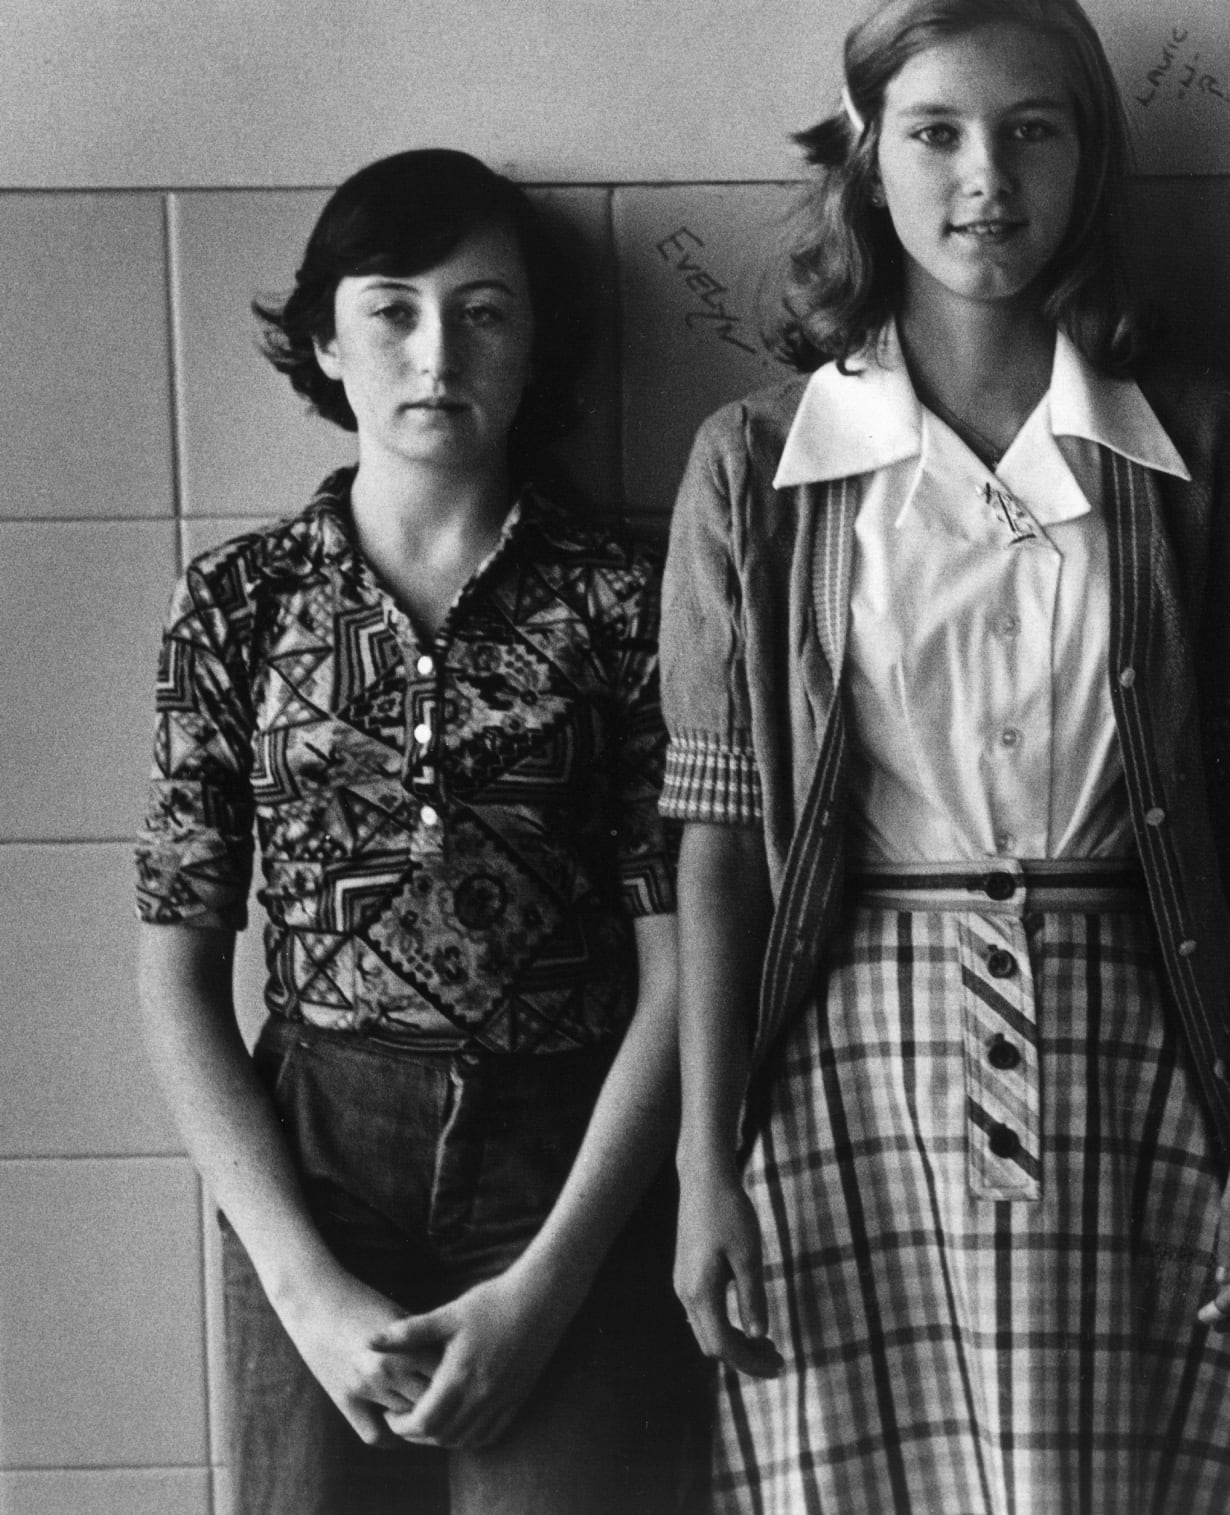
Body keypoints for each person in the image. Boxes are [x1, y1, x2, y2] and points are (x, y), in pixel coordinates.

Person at [656, 2, 1230, 1509]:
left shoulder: (1204, 445)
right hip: (848, 1076)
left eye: (1035, 130)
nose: (987, 181)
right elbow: (715, 840)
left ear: (1090, 159)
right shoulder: (757, 466)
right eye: (937, 133)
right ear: (866, 159)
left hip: (1135, 1060)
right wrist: (704, 1166)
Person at [134, 148, 703, 1514]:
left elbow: (684, 964)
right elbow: (176, 972)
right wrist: (301, 1284)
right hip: (318, 1161)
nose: (435, 350)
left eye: (484, 311)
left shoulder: (630, 604)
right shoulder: (238, 603)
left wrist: (553, 1280)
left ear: (534, 346)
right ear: (328, 340)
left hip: (569, 1165)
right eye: (391, 307)